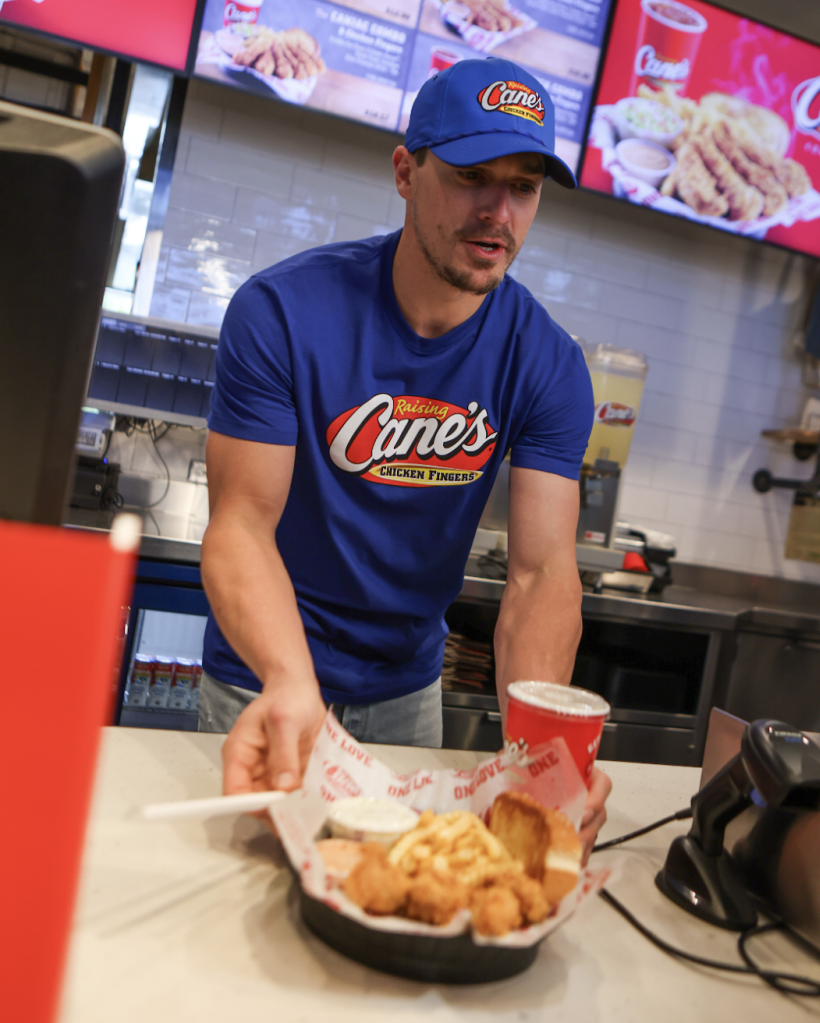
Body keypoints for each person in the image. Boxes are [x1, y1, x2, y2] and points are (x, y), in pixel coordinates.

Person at [199, 56, 612, 857]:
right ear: (405, 171)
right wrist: (291, 682)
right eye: (471, 176)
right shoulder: (282, 312)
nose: (498, 211)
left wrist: (540, 747)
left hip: (407, 695)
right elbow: (240, 526)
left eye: (524, 187)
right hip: (265, 679)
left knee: (401, 892)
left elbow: (540, 573)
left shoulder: (548, 363)